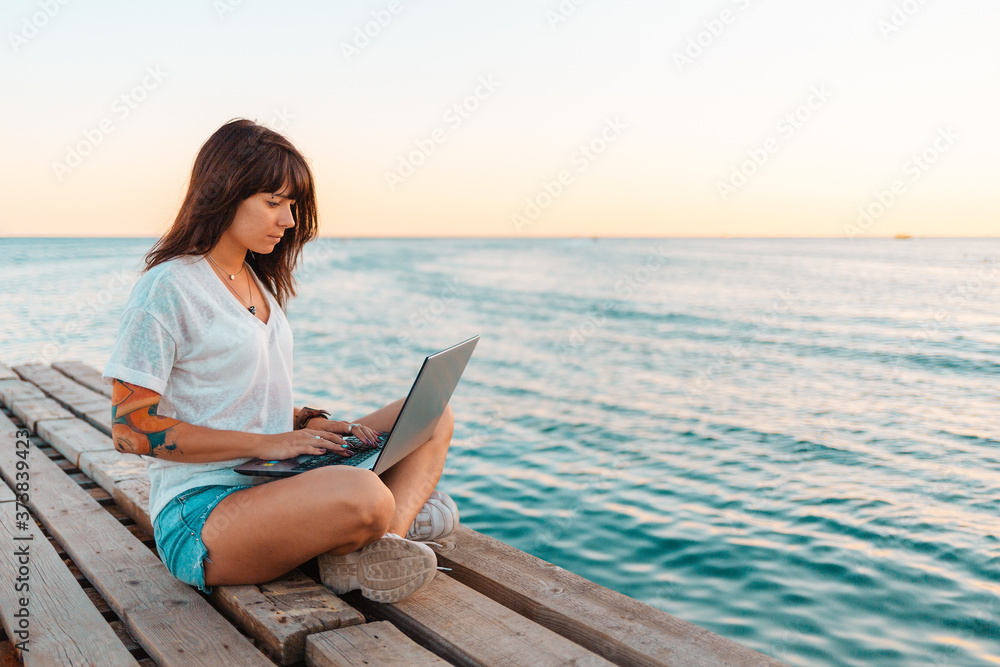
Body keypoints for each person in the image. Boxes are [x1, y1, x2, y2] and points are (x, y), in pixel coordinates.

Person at [103, 118, 459, 603]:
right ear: (223, 192)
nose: (288, 220)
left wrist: (307, 424)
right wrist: (272, 441)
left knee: (431, 411)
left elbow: (225, 397)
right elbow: (130, 429)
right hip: (204, 512)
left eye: (292, 205)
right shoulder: (169, 287)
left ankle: (378, 545)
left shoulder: (257, 280)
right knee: (367, 495)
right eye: (273, 202)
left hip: (273, 475)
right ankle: (376, 526)